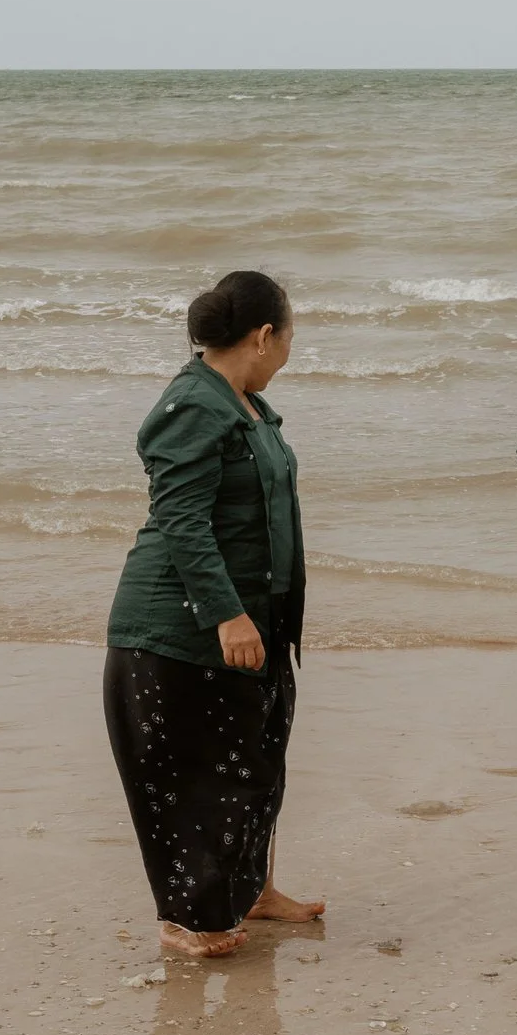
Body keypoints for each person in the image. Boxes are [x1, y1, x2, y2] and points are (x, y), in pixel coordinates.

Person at [104, 269, 324, 959]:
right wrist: (226, 614)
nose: (289, 353)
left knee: (257, 761)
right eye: (289, 339)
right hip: (177, 631)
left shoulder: (245, 404)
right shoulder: (195, 405)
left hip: (254, 621)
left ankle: (252, 889)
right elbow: (181, 519)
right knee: (192, 777)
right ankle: (185, 920)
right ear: (263, 337)